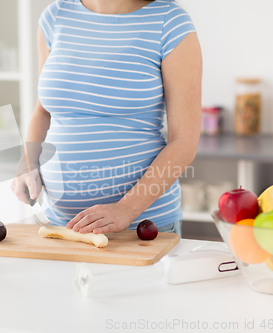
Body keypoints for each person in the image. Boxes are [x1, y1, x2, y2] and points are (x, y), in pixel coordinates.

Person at [11, 0, 202, 236]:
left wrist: (126, 209)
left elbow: (184, 140)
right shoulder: (55, 16)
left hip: (142, 228)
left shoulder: (170, 23)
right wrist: (27, 164)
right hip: (62, 226)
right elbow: (44, 111)